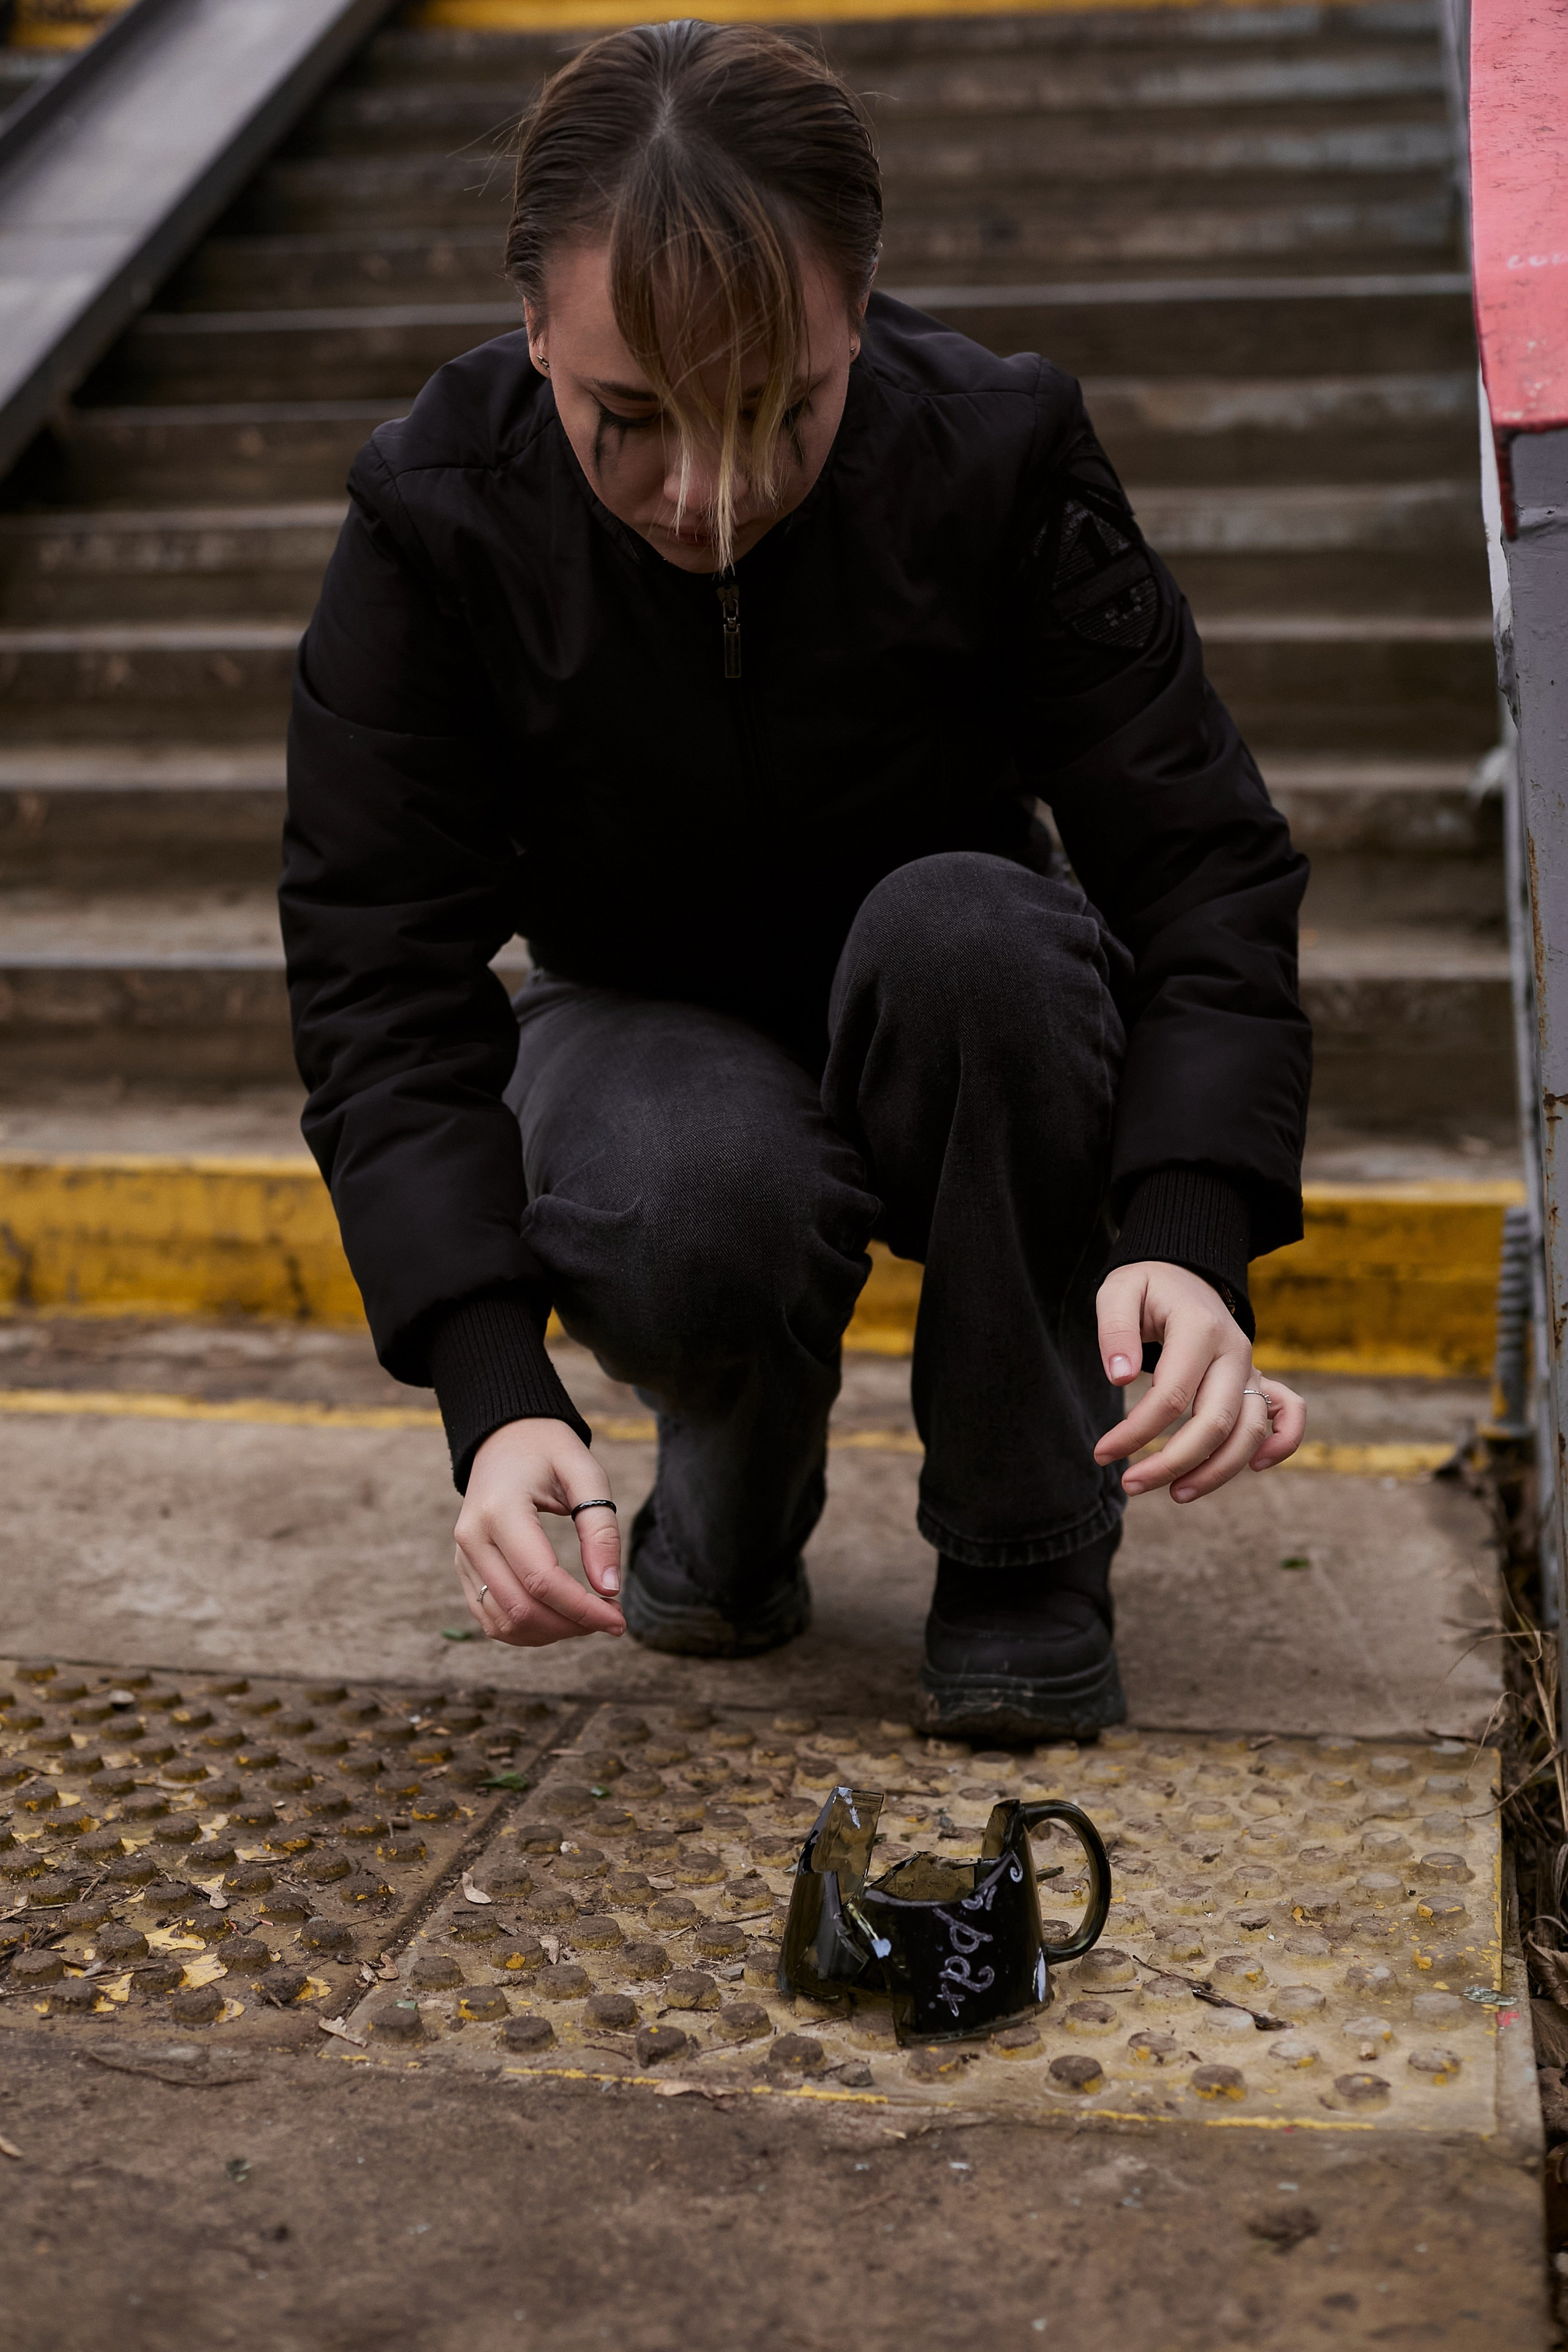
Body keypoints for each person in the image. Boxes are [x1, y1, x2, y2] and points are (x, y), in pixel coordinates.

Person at [281, 19, 1310, 1741]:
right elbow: (378, 976)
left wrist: (1194, 1232)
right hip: (633, 1025)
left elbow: (1202, 865)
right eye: (629, 420)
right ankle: (732, 1492)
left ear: (860, 312)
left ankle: (1029, 1546)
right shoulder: (433, 518)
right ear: (533, 326)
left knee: (978, 932)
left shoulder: (995, 450)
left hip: (958, 1014)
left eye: (779, 411)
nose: (710, 495)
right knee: (696, 1178)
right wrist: (493, 1388)